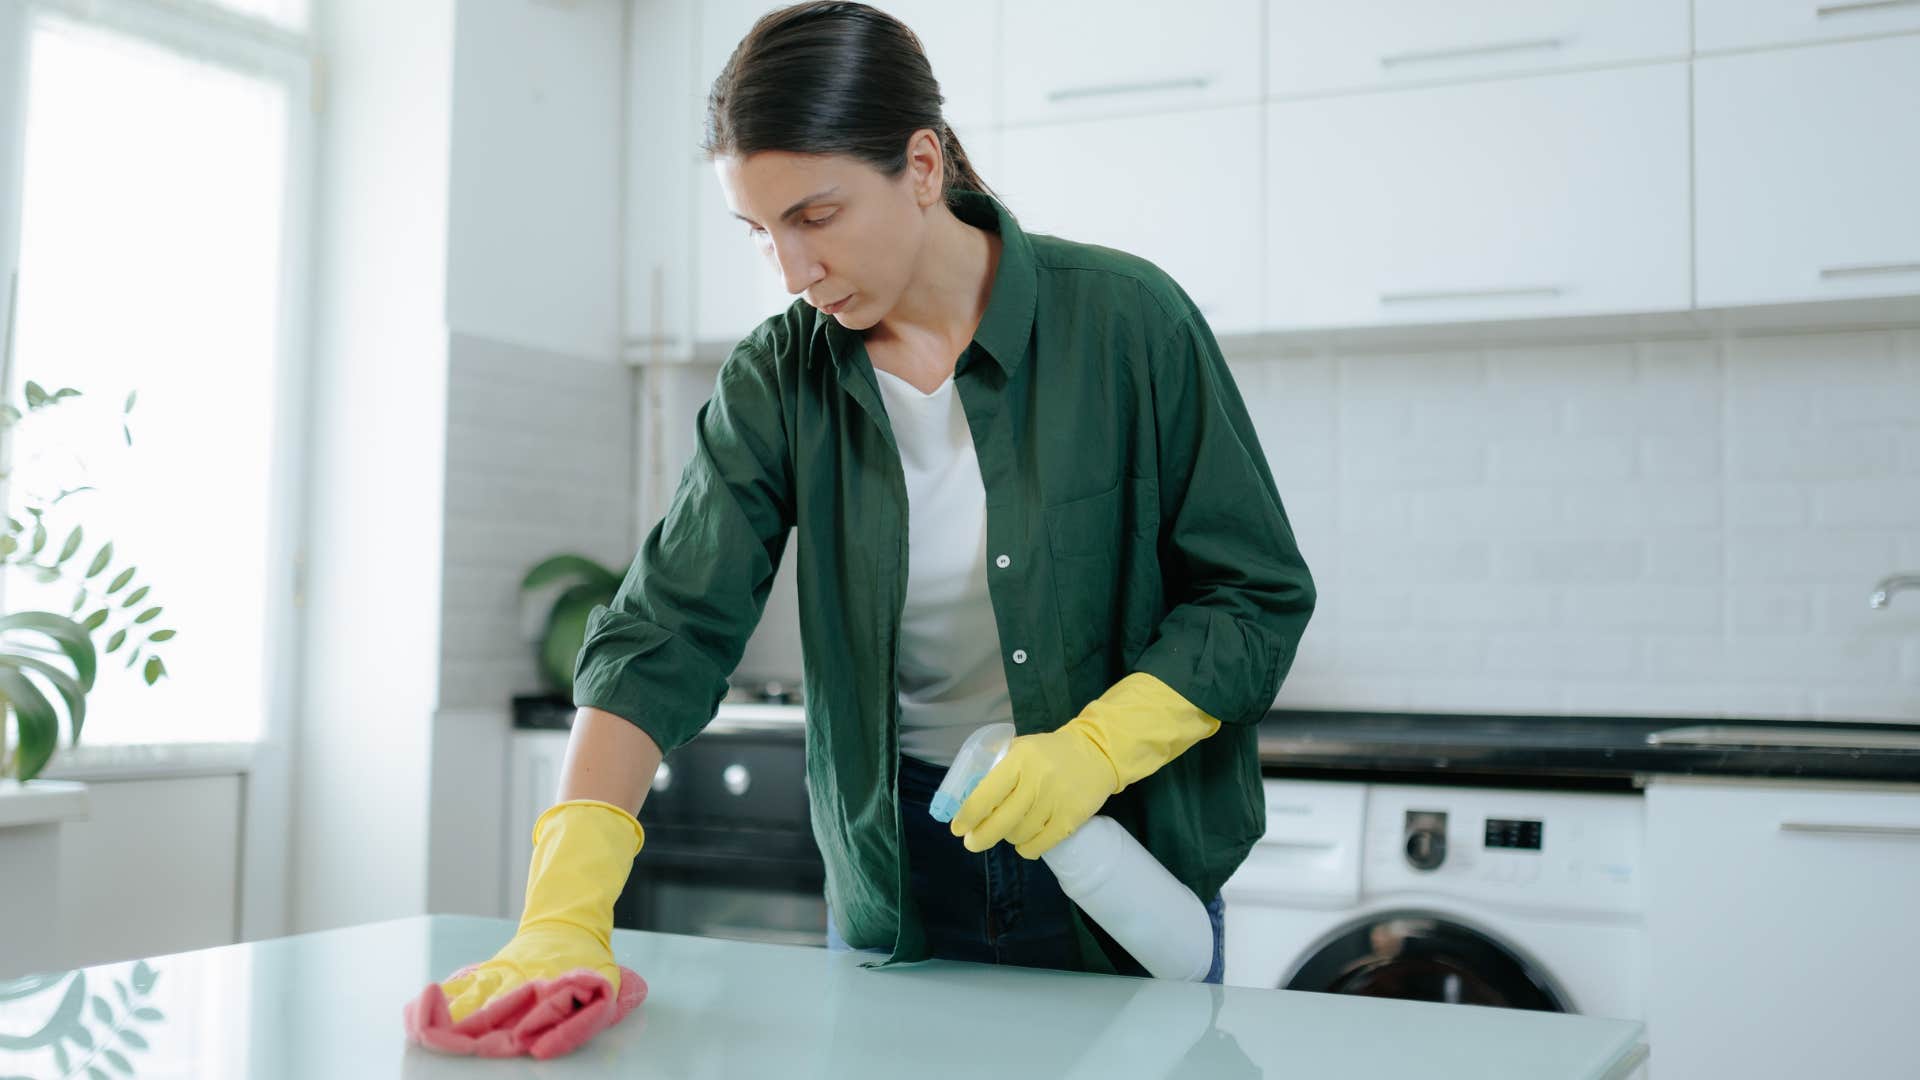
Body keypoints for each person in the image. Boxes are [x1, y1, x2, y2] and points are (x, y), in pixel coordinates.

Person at [437, 0, 1314, 1023]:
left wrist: (1099, 749)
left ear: (925, 165)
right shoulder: (779, 377)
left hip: (1118, 858)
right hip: (895, 877)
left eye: (815, 216)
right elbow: (665, 629)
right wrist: (564, 904)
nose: (793, 271)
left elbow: (1253, 595)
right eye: (760, 232)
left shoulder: (1129, 324)